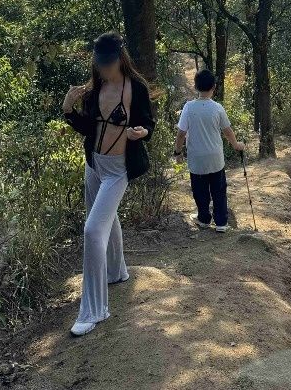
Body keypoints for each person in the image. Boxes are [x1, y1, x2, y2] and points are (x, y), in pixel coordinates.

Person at [62, 32, 155, 337]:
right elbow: (88, 127)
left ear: (120, 58)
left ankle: (94, 310)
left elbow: (148, 123)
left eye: (109, 62)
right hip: (94, 164)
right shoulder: (94, 88)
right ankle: (116, 272)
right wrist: (68, 109)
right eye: (100, 63)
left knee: (92, 230)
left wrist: (141, 133)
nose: (105, 68)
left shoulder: (136, 87)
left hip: (118, 170)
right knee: (106, 219)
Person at [174, 68, 244, 233]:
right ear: (214, 87)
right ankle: (221, 222)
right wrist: (236, 145)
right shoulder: (217, 108)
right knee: (219, 190)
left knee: (200, 191)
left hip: (197, 159)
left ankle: (204, 218)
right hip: (215, 158)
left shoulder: (189, 107)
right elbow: (227, 131)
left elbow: (181, 134)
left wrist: (177, 152)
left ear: (195, 86)